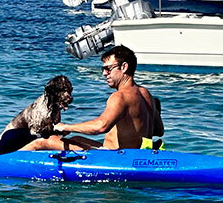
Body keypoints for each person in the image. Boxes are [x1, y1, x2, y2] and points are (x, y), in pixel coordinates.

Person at [21, 45, 163, 151]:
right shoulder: (147, 95)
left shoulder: (120, 96)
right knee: (74, 139)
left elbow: (101, 126)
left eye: (108, 68)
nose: (104, 74)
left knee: (43, 142)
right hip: (136, 154)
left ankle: (2, 158)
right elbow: (158, 131)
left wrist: (66, 126)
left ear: (124, 67)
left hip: (114, 156)